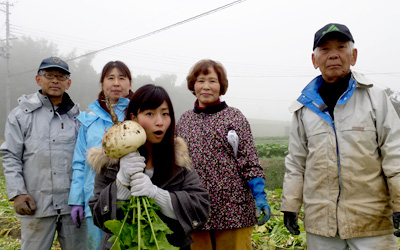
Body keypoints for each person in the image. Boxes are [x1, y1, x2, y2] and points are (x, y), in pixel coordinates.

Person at [281, 23, 400, 249]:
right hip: (322, 224)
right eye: (325, 49)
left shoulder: (375, 98)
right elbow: (296, 162)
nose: (333, 54)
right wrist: (290, 205)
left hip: (371, 221)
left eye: (341, 47)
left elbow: (395, 153)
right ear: (314, 60)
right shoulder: (304, 108)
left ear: (353, 55)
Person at [88, 84, 210, 250]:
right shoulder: (110, 162)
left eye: (165, 114)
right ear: (134, 117)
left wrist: (157, 195)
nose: (159, 122)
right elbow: (98, 216)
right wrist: (121, 183)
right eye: (150, 113)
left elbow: (200, 208)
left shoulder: (179, 160)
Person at [175, 59, 271, 250]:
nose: (206, 86)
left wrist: (259, 195)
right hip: (195, 209)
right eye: (201, 81)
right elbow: (177, 164)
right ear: (193, 85)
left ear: (221, 86)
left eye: (212, 81)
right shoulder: (184, 121)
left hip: (234, 210)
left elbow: (249, 160)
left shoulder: (234, 117)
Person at [0, 56, 86, 249]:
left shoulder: (79, 119)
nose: (55, 80)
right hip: (35, 204)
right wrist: (18, 193)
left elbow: (85, 160)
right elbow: (11, 156)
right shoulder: (21, 115)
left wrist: (83, 198)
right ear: (39, 79)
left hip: (72, 206)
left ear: (68, 83)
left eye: (61, 76)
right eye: (49, 75)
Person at [68, 61, 134, 249]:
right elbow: (79, 163)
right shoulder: (89, 120)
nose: (116, 83)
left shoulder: (138, 115)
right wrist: (76, 201)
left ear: (130, 84)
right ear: (102, 84)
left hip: (132, 201)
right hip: (94, 200)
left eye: (122, 78)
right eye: (110, 78)